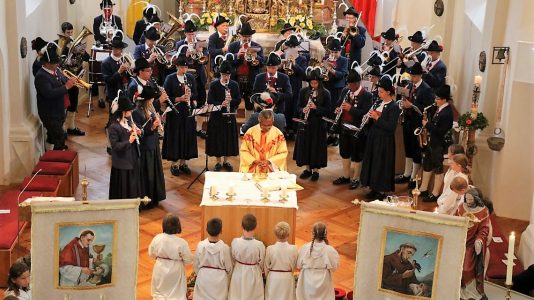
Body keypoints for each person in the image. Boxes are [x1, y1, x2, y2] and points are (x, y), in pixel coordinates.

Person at [360, 75, 401, 200]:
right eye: (378, 91)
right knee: (373, 163)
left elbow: (390, 127)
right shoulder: (378, 102)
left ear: (388, 92)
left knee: (381, 165)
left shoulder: (394, 107)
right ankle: (373, 188)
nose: (379, 94)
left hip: (384, 141)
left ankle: (381, 191)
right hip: (374, 138)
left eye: (381, 92)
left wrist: (377, 118)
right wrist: (367, 120)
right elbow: (373, 120)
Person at [395, 62, 435, 189]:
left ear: (419, 76)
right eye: (411, 76)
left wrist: (411, 105)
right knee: (408, 147)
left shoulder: (426, 89)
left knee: (415, 150)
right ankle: (407, 173)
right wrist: (403, 103)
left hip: (417, 123)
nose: (411, 79)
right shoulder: (410, 85)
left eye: (413, 77)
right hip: (407, 120)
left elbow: (428, 109)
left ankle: (414, 176)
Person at [332, 69, 373, 189]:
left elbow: (366, 113)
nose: (349, 87)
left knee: (357, 154)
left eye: (351, 84)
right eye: (348, 84)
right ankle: (346, 176)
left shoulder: (367, 95)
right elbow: (339, 103)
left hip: (357, 129)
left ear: (357, 83)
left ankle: (356, 178)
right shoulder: (345, 90)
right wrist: (338, 109)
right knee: (344, 152)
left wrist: (351, 109)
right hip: (344, 126)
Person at [34, 42, 76, 150]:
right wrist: (66, 87)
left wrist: (70, 81)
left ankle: (49, 154)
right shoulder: (41, 76)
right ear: (46, 63)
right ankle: (58, 160)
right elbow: (49, 94)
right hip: (49, 113)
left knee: (52, 137)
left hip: (59, 108)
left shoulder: (56, 70)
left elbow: (63, 80)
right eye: (54, 63)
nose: (57, 64)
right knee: (59, 137)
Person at [162, 54, 198, 176]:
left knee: (187, 135)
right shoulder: (170, 78)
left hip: (187, 111)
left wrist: (190, 96)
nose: (184, 70)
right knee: (175, 136)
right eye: (182, 67)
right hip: (175, 112)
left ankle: (183, 163)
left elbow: (195, 94)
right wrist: (179, 98)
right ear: (177, 67)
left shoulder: (190, 78)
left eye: (186, 67)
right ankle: (174, 164)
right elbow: (166, 98)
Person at [294, 67, 332, 181]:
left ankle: (316, 171)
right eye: (311, 83)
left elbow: (328, 110)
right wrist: (303, 110)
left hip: (318, 124)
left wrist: (316, 108)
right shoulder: (303, 91)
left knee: (316, 146)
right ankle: (307, 169)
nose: (313, 85)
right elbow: (298, 107)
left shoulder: (326, 93)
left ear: (319, 82)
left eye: (315, 83)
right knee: (306, 145)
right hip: (306, 123)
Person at [132, 85, 166, 208]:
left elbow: (152, 124)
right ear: (146, 99)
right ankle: (146, 200)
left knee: (154, 172)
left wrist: (158, 122)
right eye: (151, 99)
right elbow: (139, 132)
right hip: (145, 148)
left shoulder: (150, 108)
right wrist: (152, 127)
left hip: (153, 144)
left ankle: (154, 197)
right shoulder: (136, 112)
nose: (153, 101)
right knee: (147, 174)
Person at [420, 84, 455, 201]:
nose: (435, 100)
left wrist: (427, 125)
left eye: (437, 99)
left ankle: (435, 194)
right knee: (427, 164)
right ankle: (423, 189)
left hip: (439, 145)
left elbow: (440, 131)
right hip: (432, 142)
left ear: (444, 99)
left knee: (437, 167)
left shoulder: (447, 113)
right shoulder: (440, 109)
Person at [455, 188, 490, 300]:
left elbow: (484, 229)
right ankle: (459, 290)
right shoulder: (461, 208)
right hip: (459, 241)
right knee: (456, 268)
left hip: (472, 245)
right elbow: (455, 221)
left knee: (467, 269)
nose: (468, 201)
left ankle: (472, 292)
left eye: (470, 199)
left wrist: (479, 240)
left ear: (476, 199)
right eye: (467, 198)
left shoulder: (483, 211)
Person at [206, 59, 241, 171]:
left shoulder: (234, 85)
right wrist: (221, 104)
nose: (226, 77)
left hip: (229, 116)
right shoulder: (214, 85)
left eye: (228, 75)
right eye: (224, 75)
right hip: (217, 116)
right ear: (220, 74)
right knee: (218, 139)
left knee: (228, 139)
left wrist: (231, 101)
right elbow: (210, 100)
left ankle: (226, 161)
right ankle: (218, 162)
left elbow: (238, 100)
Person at [175, 19, 209, 137]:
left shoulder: (201, 42)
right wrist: (186, 55)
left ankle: (198, 129)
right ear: (185, 34)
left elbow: (206, 60)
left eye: (193, 33)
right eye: (189, 34)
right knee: (186, 102)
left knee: (200, 101)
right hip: (185, 76)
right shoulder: (180, 45)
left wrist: (201, 52)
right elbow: (177, 60)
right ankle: (185, 127)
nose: (191, 36)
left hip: (198, 76)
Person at [56, 22, 90, 137]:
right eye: (67, 32)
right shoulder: (60, 44)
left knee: (74, 102)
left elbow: (87, 57)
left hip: (75, 77)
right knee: (65, 103)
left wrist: (81, 52)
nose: (70, 35)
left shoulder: (77, 43)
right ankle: (63, 129)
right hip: (65, 79)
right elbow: (59, 62)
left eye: (71, 32)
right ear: (63, 32)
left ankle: (71, 127)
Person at [149, 213, 193, 300]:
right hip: (175, 270)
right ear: (178, 226)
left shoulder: (157, 238)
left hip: (160, 267)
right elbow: (188, 259)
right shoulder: (181, 242)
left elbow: (151, 253)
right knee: (176, 295)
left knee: (159, 292)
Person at [108, 92, 143, 199]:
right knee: (125, 189)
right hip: (122, 163)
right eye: (129, 110)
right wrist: (130, 140)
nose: (131, 112)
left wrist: (137, 132)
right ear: (123, 112)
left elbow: (131, 133)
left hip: (132, 159)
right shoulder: (113, 127)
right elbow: (115, 146)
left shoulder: (127, 121)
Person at [275, 34, 309, 138]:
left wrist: (295, 64)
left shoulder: (302, 59)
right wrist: (280, 65)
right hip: (285, 88)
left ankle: (293, 129)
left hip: (295, 87)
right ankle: (285, 128)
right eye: (289, 47)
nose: (291, 49)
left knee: (294, 108)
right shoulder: (282, 57)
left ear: (298, 48)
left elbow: (304, 75)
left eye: (294, 47)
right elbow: (276, 71)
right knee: (285, 108)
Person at [228, 21, 265, 118]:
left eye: (249, 36)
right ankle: (232, 123)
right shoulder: (233, 46)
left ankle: (248, 125)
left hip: (251, 78)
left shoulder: (257, 47)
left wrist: (256, 56)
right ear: (240, 36)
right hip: (236, 79)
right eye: (244, 36)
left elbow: (262, 63)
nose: (246, 38)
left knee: (249, 104)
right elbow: (227, 62)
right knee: (234, 102)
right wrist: (237, 55)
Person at [102, 32, 130, 154]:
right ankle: (109, 145)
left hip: (125, 93)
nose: (120, 51)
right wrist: (119, 72)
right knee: (112, 120)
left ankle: (122, 142)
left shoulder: (124, 60)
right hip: (114, 95)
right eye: (118, 49)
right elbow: (108, 81)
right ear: (113, 49)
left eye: (121, 49)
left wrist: (129, 69)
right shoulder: (106, 63)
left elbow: (130, 77)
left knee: (124, 119)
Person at [296, 222, 339, 300]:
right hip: (324, 281)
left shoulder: (305, 248)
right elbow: (334, 268)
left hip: (307, 281)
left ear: (313, 233)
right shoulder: (329, 250)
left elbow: (298, 265)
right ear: (325, 233)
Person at [193, 218, 233, 300]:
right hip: (220, 280)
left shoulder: (201, 245)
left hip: (203, 278)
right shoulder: (224, 248)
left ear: (207, 230)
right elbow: (229, 268)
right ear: (221, 231)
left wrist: (201, 274)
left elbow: (195, 265)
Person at [229, 214, 266, 300]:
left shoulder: (235, 242)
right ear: (255, 227)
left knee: (237, 295)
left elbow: (232, 258)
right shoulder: (259, 245)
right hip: (254, 272)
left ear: (241, 226)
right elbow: (262, 262)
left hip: (238, 271)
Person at [323, 37, 348, 146]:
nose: (334, 54)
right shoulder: (326, 58)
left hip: (338, 88)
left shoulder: (344, 60)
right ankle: (330, 134)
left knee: (336, 110)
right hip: (327, 86)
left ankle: (337, 135)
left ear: (340, 51)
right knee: (328, 110)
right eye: (332, 52)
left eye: (336, 52)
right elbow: (322, 73)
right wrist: (323, 68)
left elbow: (342, 74)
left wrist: (332, 70)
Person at [264, 222, 298, 300]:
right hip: (287, 278)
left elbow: (266, 267)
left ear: (275, 234)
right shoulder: (294, 249)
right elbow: (295, 265)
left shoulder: (270, 248)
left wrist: (268, 276)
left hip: (273, 278)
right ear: (288, 234)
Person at [252, 52, 292, 116]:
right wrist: (255, 102)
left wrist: (276, 93)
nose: (270, 70)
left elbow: (289, 95)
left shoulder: (284, 78)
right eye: (269, 68)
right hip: (261, 110)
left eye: (273, 68)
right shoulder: (259, 77)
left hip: (278, 111)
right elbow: (254, 92)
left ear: (278, 67)